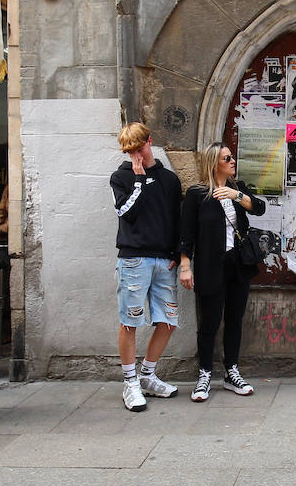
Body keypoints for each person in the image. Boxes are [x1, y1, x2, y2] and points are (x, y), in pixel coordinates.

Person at [179, 142, 265, 402]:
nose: (232, 161)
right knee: (210, 321)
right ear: (213, 163)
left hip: (238, 264)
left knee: (235, 319)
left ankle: (231, 371)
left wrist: (236, 196)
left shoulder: (238, 188)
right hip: (210, 266)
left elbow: (259, 208)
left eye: (232, 157)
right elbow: (186, 234)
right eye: (226, 158)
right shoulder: (197, 194)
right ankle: (204, 373)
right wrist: (185, 266)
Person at [110, 122, 182, 411]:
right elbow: (126, 213)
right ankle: (130, 383)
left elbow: (176, 218)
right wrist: (138, 181)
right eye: (130, 152)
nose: (136, 156)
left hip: (164, 259)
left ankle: (148, 375)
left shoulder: (169, 179)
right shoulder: (121, 177)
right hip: (134, 259)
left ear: (150, 141)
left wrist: (178, 252)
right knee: (130, 321)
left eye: (139, 148)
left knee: (167, 321)